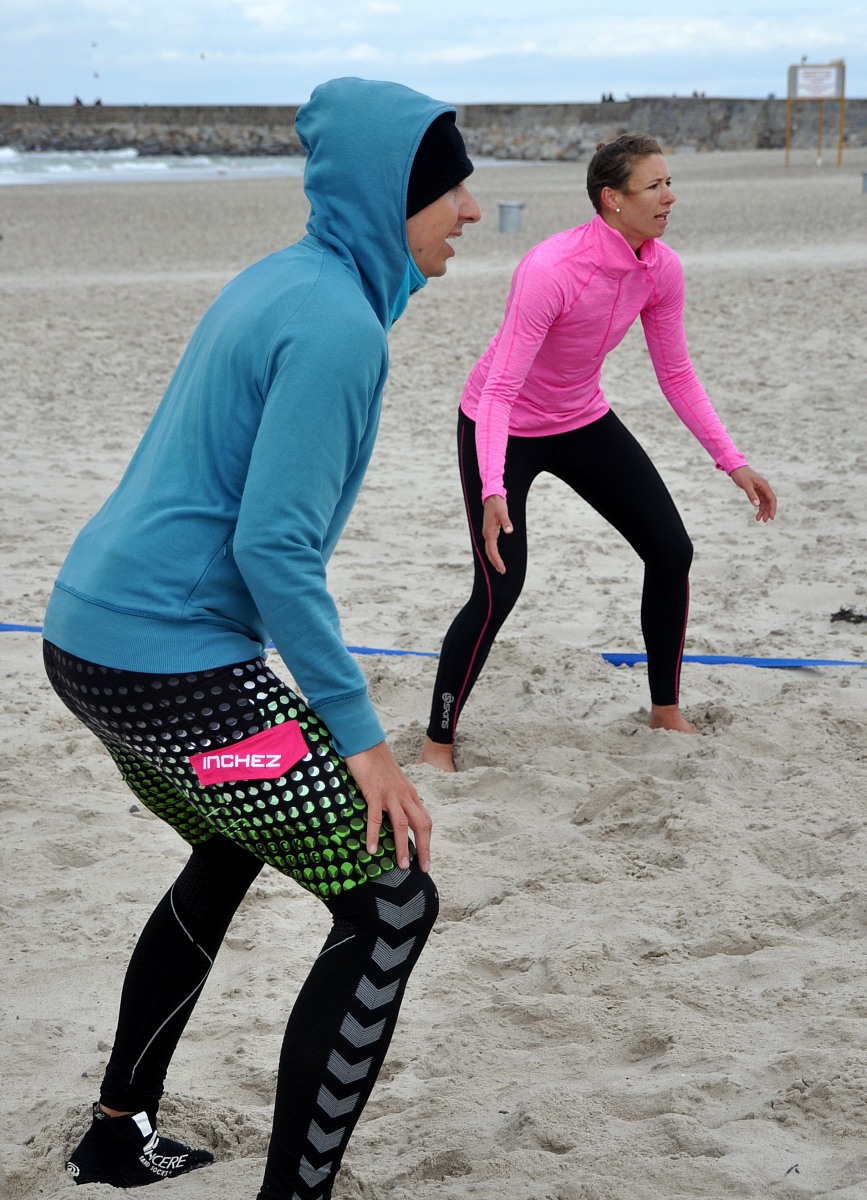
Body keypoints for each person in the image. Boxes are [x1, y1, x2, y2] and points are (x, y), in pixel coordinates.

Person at [42, 76, 480, 1198]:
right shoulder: (336, 328)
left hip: (89, 641)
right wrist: (363, 741)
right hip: (168, 669)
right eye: (450, 189)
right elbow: (274, 550)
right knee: (392, 899)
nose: (472, 210)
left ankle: (116, 1134)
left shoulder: (284, 278)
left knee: (231, 841)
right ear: (390, 196)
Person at [419, 133, 775, 772]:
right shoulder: (552, 268)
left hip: (580, 417)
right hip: (501, 425)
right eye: (654, 186)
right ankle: (437, 743)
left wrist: (733, 460)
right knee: (499, 588)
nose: (670, 197)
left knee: (671, 550)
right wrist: (494, 487)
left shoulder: (660, 268)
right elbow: (499, 389)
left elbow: (676, 373)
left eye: (669, 183)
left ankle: (665, 708)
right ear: (612, 199)